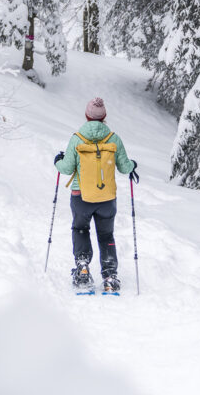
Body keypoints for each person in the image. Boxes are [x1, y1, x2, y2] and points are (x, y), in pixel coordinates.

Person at [53, 97, 138, 293]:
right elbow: (125, 168)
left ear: (87, 115)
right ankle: (110, 276)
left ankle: (82, 268)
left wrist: (58, 161)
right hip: (107, 198)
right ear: (104, 117)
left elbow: (66, 168)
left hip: (81, 196)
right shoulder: (113, 139)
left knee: (81, 229)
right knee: (106, 234)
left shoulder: (77, 139)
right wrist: (133, 164)